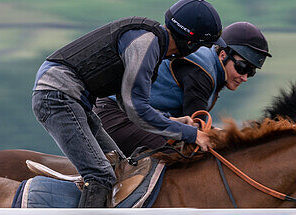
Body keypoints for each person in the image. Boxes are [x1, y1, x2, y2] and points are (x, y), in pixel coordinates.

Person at [32, 0, 223, 215]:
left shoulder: (150, 44)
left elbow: (127, 101)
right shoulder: (147, 43)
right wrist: (189, 134)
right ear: (192, 43)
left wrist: (176, 124)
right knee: (100, 173)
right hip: (59, 95)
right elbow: (136, 108)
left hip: (72, 98)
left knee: (119, 166)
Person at [94, 21, 271, 155]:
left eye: (251, 72)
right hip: (114, 115)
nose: (245, 77)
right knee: (173, 158)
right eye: (242, 68)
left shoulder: (211, 71)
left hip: (129, 116)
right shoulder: (201, 73)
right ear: (223, 55)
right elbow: (199, 125)